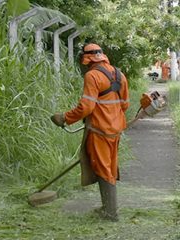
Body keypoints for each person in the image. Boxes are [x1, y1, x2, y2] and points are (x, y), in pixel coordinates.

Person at [50, 43, 130, 221]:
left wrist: (65, 118)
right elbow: (125, 104)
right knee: (109, 167)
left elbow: (86, 107)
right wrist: (112, 116)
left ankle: (110, 213)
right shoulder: (119, 74)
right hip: (116, 130)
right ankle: (108, 208)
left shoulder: (92, 76)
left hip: (100, 130)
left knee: (103, 169)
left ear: (87, 59)